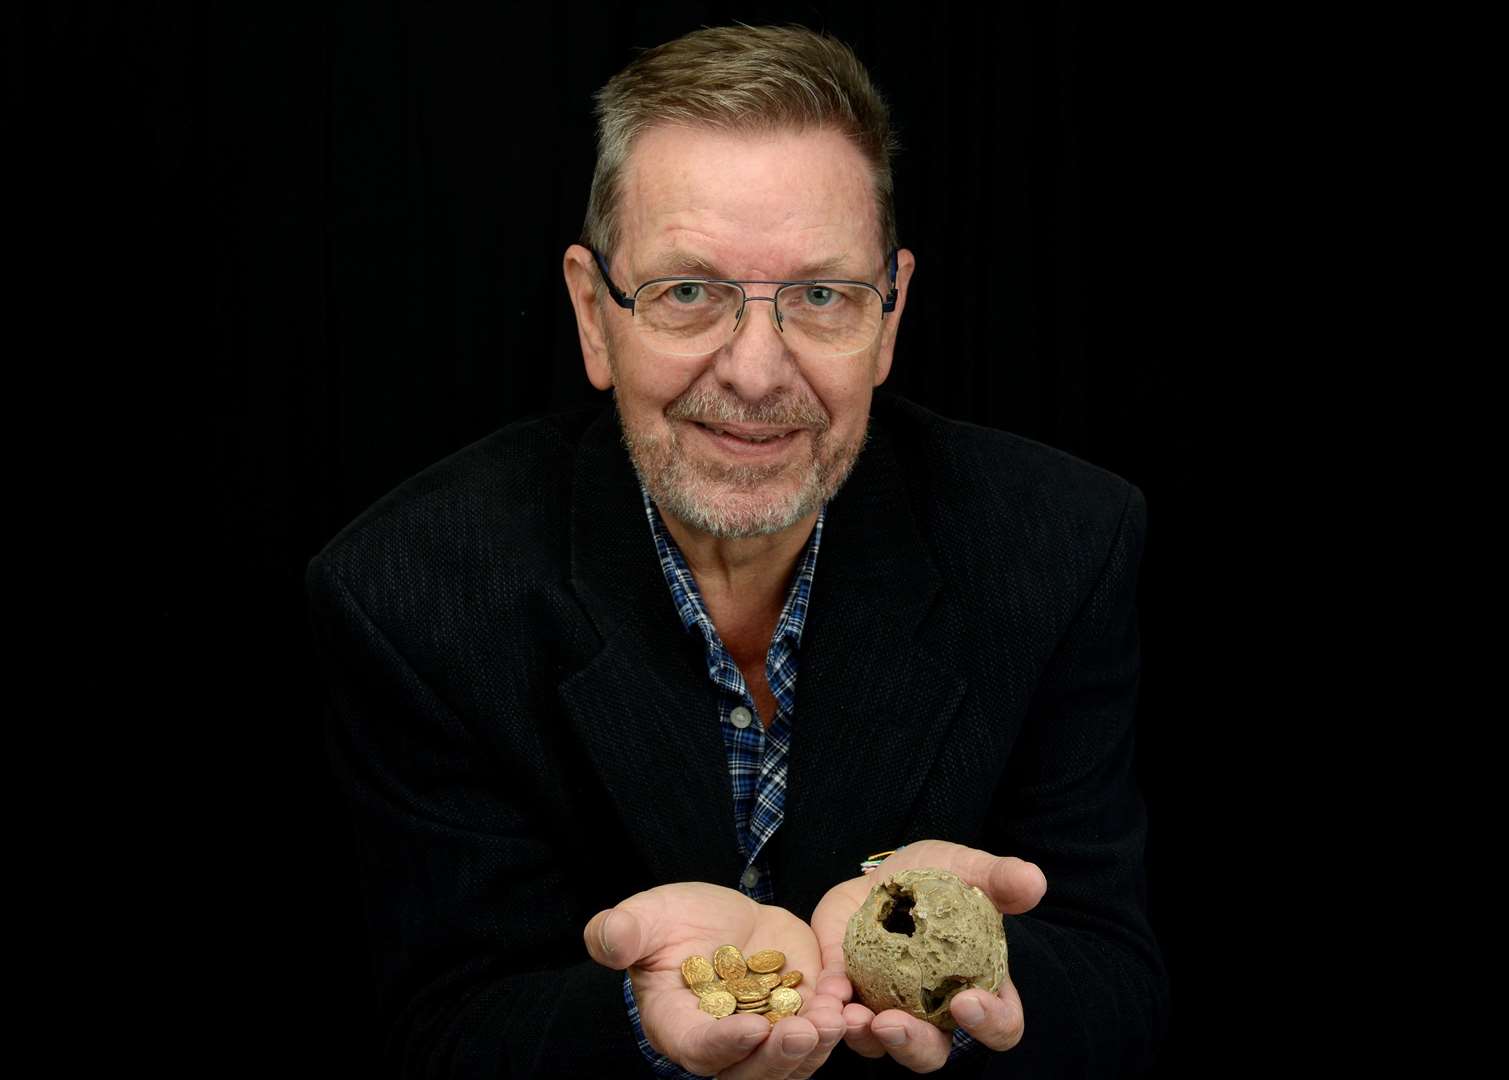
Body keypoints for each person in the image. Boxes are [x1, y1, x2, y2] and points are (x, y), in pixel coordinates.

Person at [307, 23, 1167, 1079]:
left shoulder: (1061, 545)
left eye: (819, 296)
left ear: (889, 317)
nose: (757, 374)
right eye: (687, 292)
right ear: (593, 313)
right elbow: (440, 1031)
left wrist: (971, 971)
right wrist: (637, 1023)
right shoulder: (412, 595)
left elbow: (1118, 988)